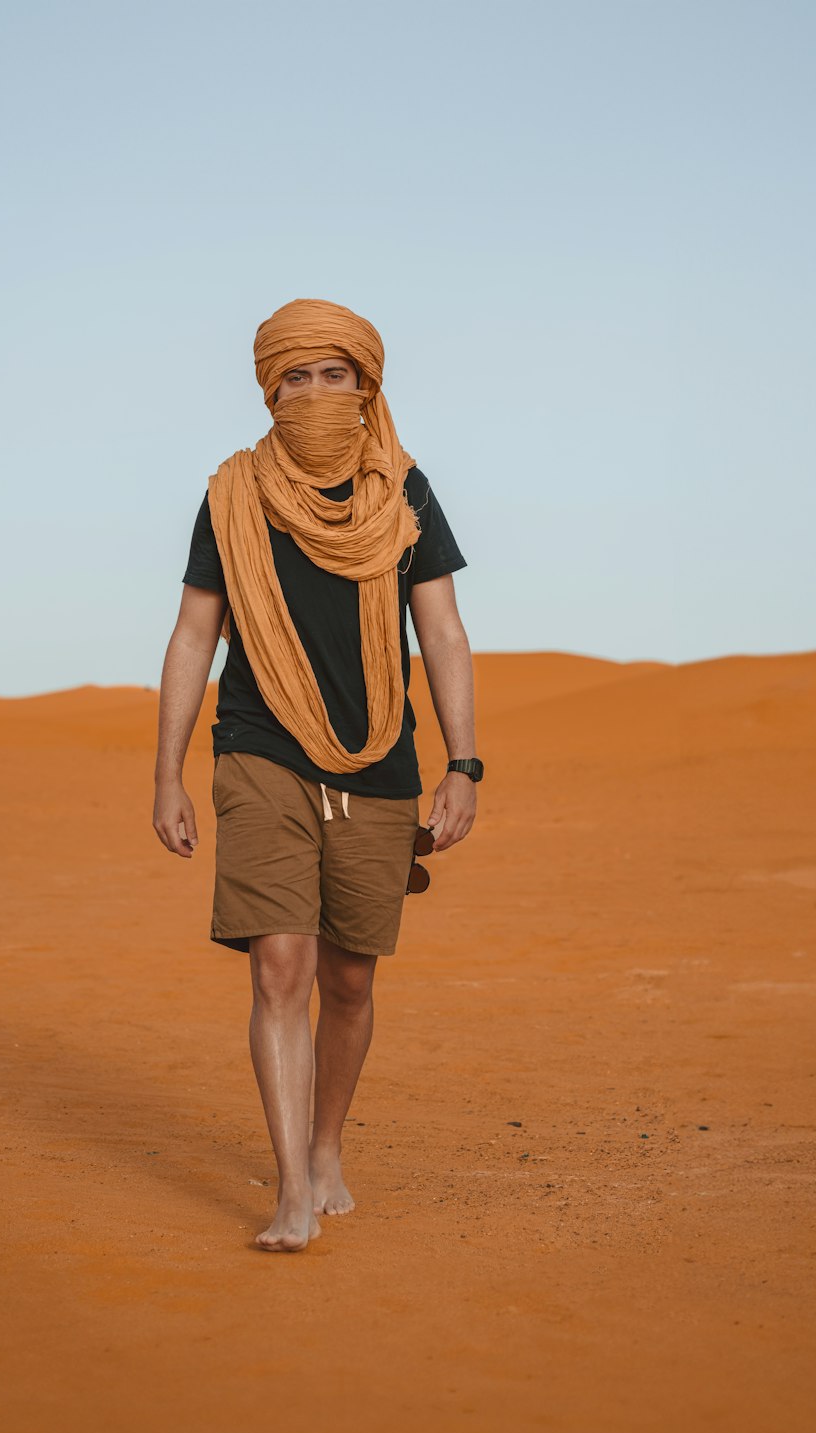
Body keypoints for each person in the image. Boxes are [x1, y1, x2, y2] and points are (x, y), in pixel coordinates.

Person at [153, 298, 481, 1252]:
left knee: (347, 977)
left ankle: (327, 1146)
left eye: (333, 375)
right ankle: (293, 1188)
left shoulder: (406, 493)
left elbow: (445, 631)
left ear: (365, 384)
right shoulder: (233, 497)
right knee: (282, 962)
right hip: (260, 749)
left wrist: (464, 763)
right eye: (295, 377)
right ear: (271, 387)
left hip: (380, 759)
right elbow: (192, 634)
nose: (314, 393)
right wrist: (167, 772)